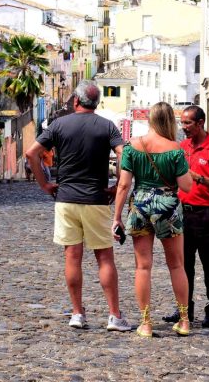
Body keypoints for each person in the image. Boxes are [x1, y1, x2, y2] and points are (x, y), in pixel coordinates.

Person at [25, 80, 133, 332]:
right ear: (96, 103)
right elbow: (123, 153)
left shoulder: (59, 124)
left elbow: (31, 153)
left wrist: (45, 184)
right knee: (104, 258)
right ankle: (114, 316)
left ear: (76, 101)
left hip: (66, 199)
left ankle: (77, 313)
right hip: (96, 199)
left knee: (72, 257)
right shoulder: (107, 126)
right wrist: (117, 185)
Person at [112, 102, 194, 337]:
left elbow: (124, 184)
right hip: (168, 206)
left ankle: (146, 323)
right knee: (176, 265)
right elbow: (186, 186)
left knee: (143, 266)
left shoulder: (131, 147)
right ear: (170, 121)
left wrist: (116, 217)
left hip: (140, 206)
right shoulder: (175, 150)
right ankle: (185, 321)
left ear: (150, 120)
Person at [162, 105, 209, 329]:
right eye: (182, 123)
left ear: (200, 123)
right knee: (184, 264)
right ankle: (184, 309)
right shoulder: (182, 147)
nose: (184, 127)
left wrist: (198, 178)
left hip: (206, 213)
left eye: (187, 123)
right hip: (183, 212)